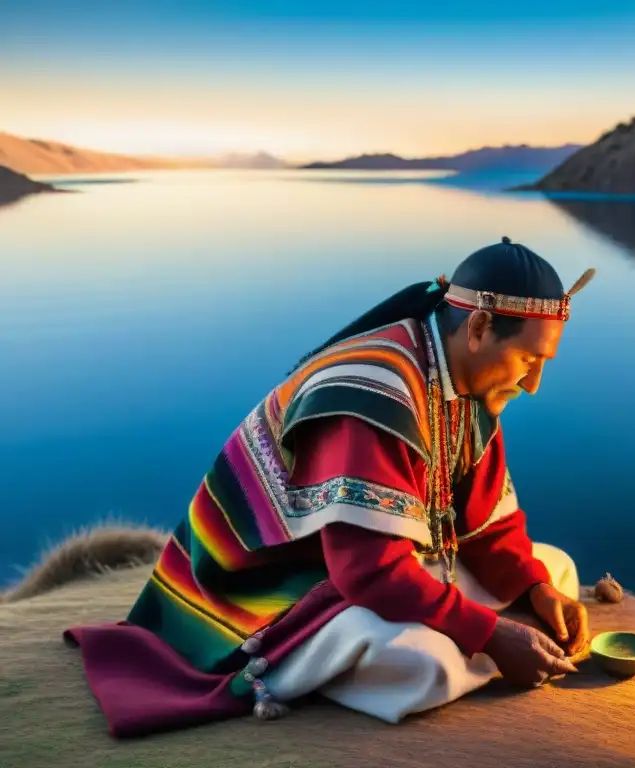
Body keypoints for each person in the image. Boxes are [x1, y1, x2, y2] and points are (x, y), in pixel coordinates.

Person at [65, 236, 597, 737]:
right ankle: (338, 658)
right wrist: (490, 634)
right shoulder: (373, 393)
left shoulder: (471, 383)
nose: (533, 383)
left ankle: (477, 632)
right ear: (479, 326)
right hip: (283, 581)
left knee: (556, 572)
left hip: (383, 559)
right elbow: (367, 571)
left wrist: (534, 589)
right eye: (529, 360)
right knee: (423, 666)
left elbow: (484, 523)